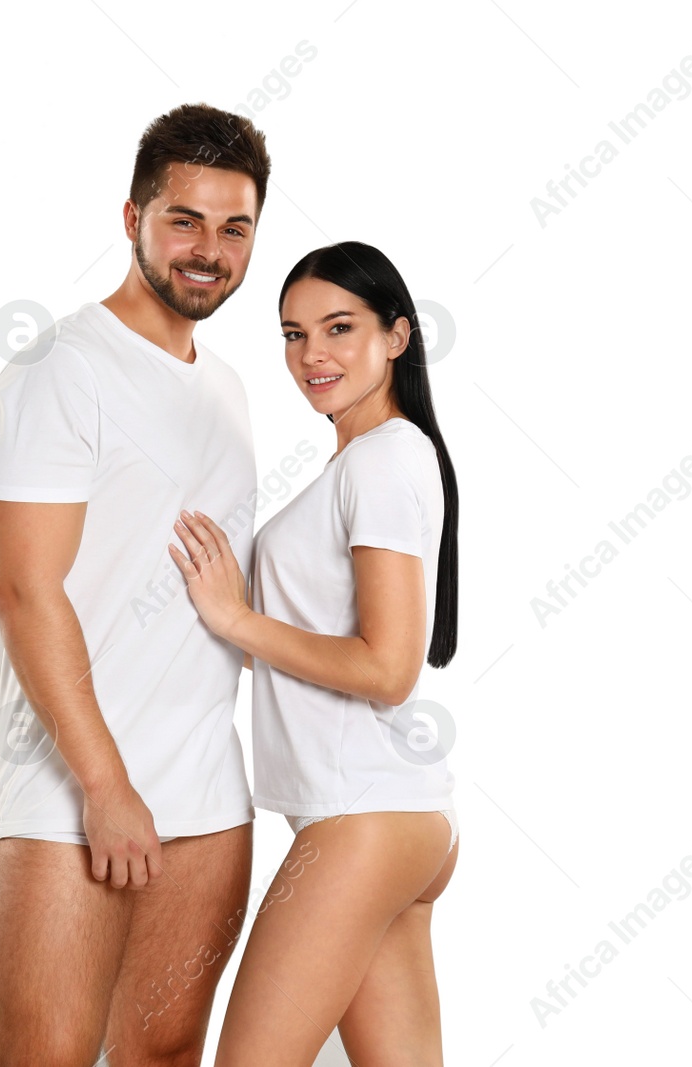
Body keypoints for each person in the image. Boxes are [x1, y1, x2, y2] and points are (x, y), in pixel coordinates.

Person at [0, 103, 271, 1066]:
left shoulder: (225, 388)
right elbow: (25, 590)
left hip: (208, 798)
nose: (208, 251)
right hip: (74, 797)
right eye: (184, 219)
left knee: (165, 1052)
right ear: (134, 215)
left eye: (235, 229)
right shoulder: (60, 368)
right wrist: (106, 783)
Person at [168, 241, 461, 1066]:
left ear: (398, 335)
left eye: (339, 328)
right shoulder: (363, 462)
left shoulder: (387, 458)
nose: (312, 356)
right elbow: (323, 646)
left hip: (362, 818)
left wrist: (234, 618)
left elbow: (387, 668)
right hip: (393, 816)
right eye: (293, 334)